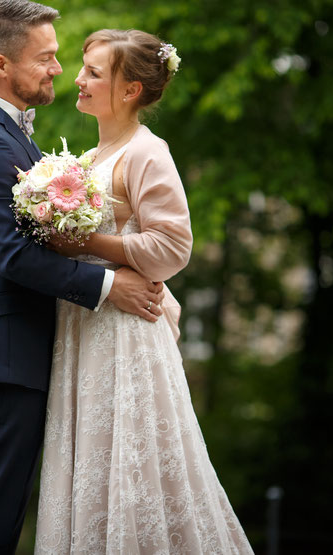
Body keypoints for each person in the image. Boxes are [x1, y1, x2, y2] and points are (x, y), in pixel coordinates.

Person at [0, 0, 164, 554]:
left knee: (5, 509)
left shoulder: (7, 133)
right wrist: (112, 286)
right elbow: (12, 256)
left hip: (18, 350)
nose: (59, 69)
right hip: (2, 353)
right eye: (45, 58)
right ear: (1, 66)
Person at [34, 29, 253, 553]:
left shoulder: (147, 153)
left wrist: (88, 241)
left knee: (129, 459)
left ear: (130, 90)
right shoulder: (90, 158)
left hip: (124, 334)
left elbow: (172, 247)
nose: (78, 79)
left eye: (93, 72)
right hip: (86, 327)